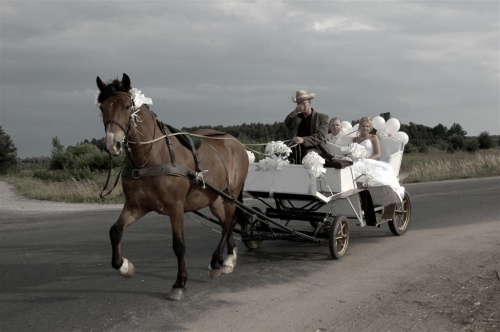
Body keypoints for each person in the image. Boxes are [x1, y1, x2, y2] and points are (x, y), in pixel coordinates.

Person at [351, 117, 404, 201]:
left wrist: (365, 160)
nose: (365, 128)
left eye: (367, 126)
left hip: (369, 161)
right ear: (359, 127)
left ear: (370, 128)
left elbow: (378, 154)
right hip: (357, 161)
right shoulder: (355, 139)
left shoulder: (373, 137)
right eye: (363, 126)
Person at [284, 90, 333, 163]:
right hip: (297, 149)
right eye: (299, 104)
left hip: (316, 149)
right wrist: (295, 112)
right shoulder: (297, 117)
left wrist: (303, 140)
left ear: (309, 103)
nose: (301, 106)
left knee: (308, 155)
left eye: (304, 103)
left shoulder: (322, 117)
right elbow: (287, 124)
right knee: (280, 154)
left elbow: (321, 136)